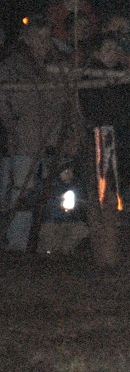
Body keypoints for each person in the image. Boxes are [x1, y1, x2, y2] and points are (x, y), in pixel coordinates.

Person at [78, 35, 130, 251]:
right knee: (107, 193)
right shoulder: (90, 79)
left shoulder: (127, 77)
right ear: (97, 53)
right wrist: (126, 120)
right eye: (107, 48)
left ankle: (126, 241)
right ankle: (107, 243)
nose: (112, 52)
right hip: (106, 145)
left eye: (115, 48)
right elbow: (95, 112)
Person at [0, 17, 72, 250]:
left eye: (46, 37)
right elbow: (3, 100)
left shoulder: (56, 67)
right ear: (28, 38)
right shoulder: (13, 66)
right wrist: (12, 126)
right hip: (24, 137)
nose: (43, 42)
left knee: (51, 190)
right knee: (22, 191)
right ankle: (17, 242)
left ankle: (45, 240)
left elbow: (65, 100)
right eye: (38, 37)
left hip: (51, 138)